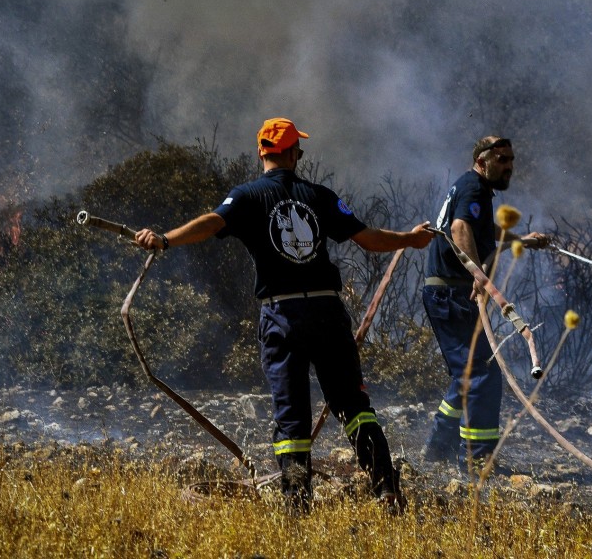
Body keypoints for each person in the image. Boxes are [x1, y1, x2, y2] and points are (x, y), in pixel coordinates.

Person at [135, 117, 433, 512]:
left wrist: (166, 239)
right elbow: (368, 238)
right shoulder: (319, 196)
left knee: (292, 416)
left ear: (262, 152)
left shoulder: (246, 196)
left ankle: (296, 504)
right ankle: (387, 491)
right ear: (293, 154)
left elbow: (211, 223)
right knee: (354, 406)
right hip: (327, 311)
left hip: (282, 315)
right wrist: (410, 240)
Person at [421, 135, 549, 469]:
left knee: (468, 371)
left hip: (446, 292)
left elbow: (478, 227)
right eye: (502, 160)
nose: (509, 167)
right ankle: (477, 461)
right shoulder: (475, 188)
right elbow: (461, 227)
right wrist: (478, 274)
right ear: (482, 161)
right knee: (483, 372)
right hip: (452, 293)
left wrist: (521, 240)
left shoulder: (472, 188)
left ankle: (438, 449)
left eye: (511, 160)